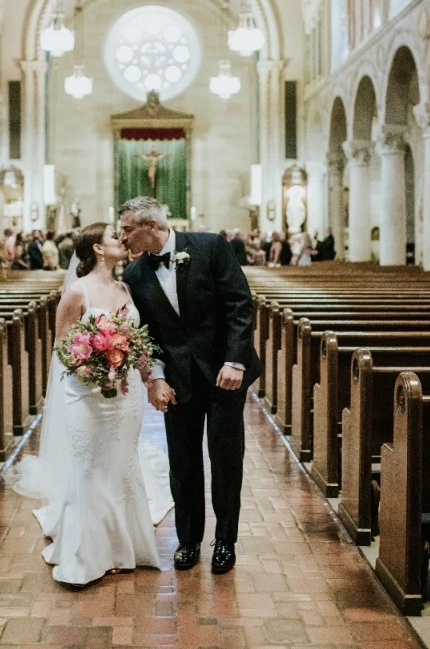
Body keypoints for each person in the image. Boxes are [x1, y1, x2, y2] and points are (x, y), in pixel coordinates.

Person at [8, 222, 172, 587]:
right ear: (98, 249)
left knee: (120, 465)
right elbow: (62, 348)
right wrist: (95, 369)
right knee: (89, 468)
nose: (123, 241)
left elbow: (139, 343)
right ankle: (87, 554)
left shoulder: (127, 288)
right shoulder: (76, 293)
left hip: (125, 394)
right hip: (88, 393)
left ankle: (120, 546)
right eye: (116, 237)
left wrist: (149, 379)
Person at [120, 196, 261, 575]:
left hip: (223, 376)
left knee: (226, 459)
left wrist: (235, 361)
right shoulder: (133, 275)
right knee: (182, 462)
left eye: (128, 229)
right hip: (178, 382)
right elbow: (147, 335)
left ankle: (226, 542)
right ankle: (188, 541)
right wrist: (157, 378)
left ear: (150, 226)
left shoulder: (210, 246)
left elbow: (240, 305)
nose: (122, 238)